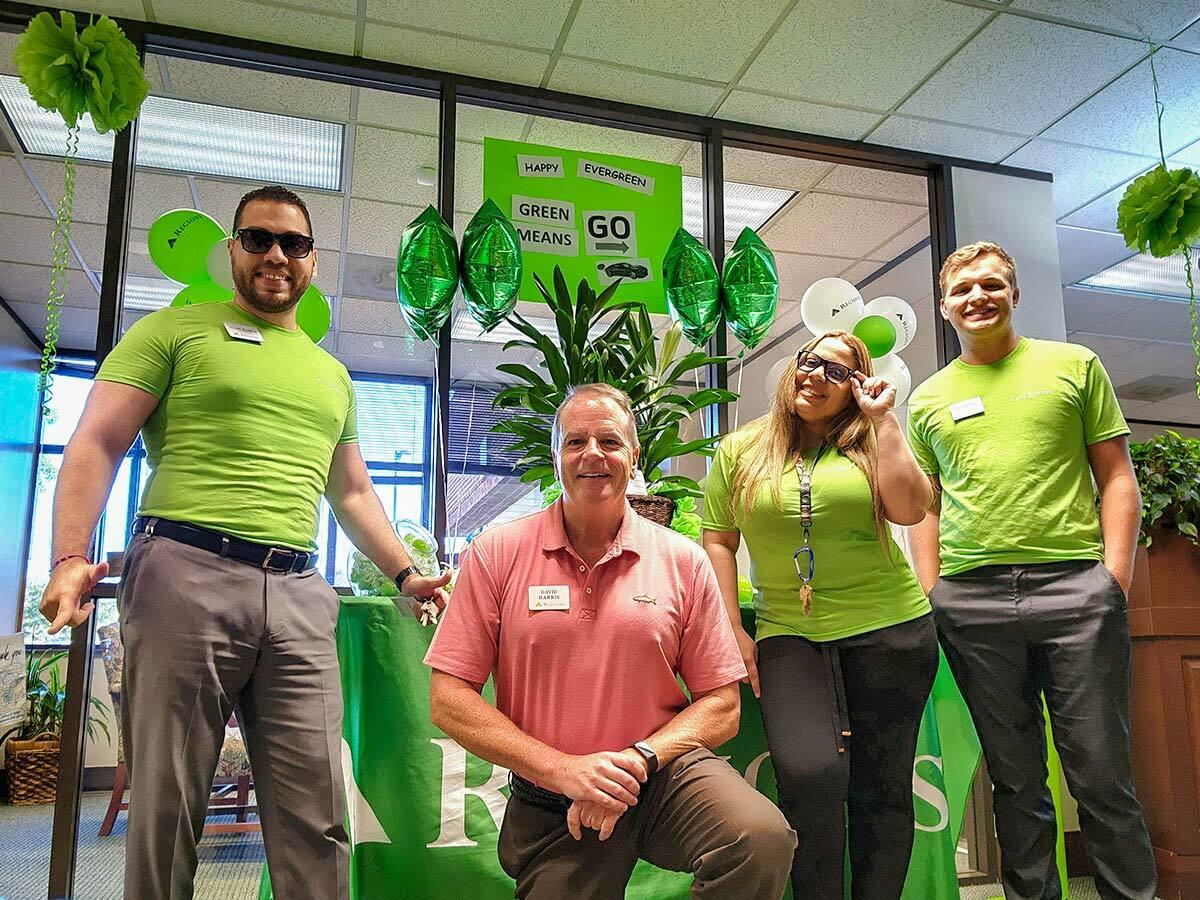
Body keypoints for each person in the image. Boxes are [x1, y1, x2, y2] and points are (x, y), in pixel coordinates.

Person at [39, 184, 449, 900]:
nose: (276, 256)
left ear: (312, 262)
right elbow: (98, 440)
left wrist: (407, 574)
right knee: (166, 813)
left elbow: (350, 492)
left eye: (293, 244)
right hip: (184, 573)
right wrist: (71, 557)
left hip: (298, 594)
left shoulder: (332, 374)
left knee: (318, 816)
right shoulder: (176, 330)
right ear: (232, 249)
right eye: (258, 239)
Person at [425, 383, 796, 900]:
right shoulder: (496, 553)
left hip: (661, 773)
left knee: (758, 837)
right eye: (575, 442)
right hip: (556, 793)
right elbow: (449, 700)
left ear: (634, 455)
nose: (592, 454)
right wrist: (567, 771)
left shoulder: (682, 560)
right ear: (555, 456)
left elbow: (723, 706)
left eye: (610, 441)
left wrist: (639, 760)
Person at [908, 241, 1156, 900]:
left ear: (1014, 295)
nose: (977, 298)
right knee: (1015, 782)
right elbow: (924, 506)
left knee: (1101, 774)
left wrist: (1113, 580)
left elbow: (1117, 478)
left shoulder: (1074, 365)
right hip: (973, 602)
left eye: (992, 285)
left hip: (1076, 590)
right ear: (944, 308)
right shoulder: (929, 399)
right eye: (962, 291)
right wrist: (935, 592)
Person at [703, 331, 939, 900]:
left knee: (882, 790)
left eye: (837, 373)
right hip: (790, 632)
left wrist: (885, 421)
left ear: (856, 389)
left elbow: (911, 509)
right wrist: (732, 627)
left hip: (891, 630)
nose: (815, 376)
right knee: (810, 777)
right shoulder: (741, 449)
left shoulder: (869, 442)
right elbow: (718, 540)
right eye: (810, 362)